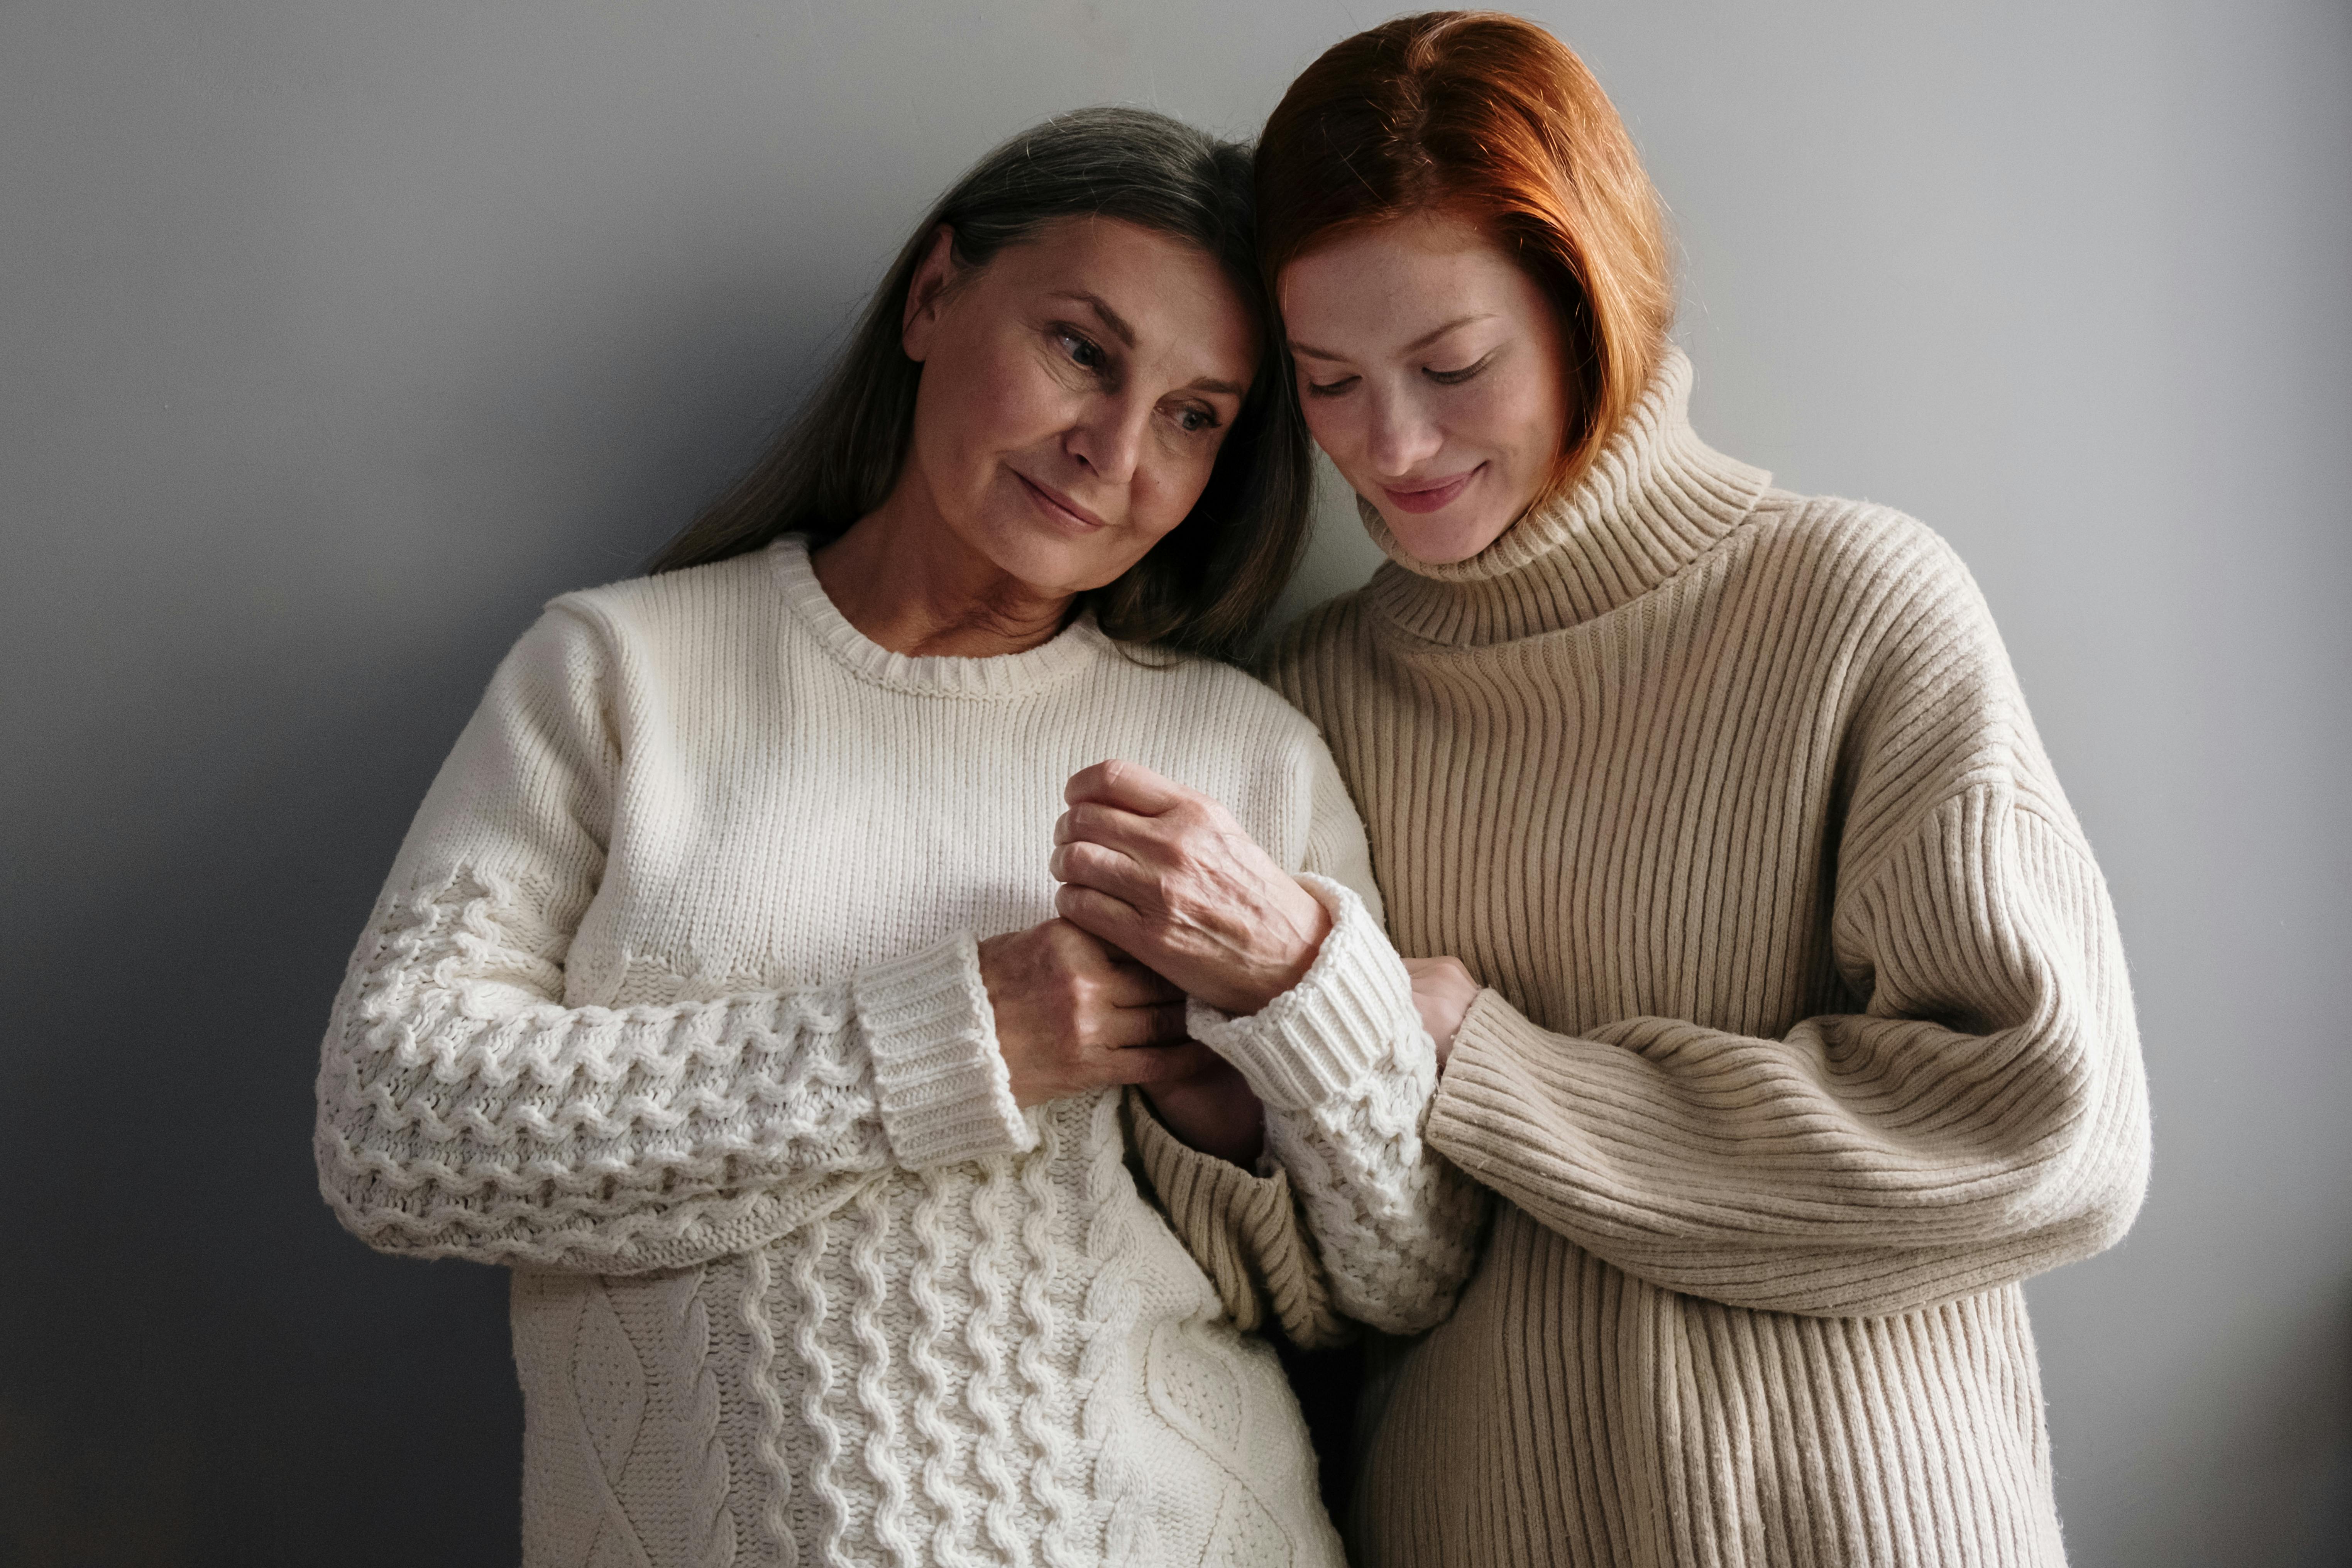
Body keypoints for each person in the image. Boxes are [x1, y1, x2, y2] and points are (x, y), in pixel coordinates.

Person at [1053, 14, 2154, 1566]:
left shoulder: (1850, 603)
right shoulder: (1305, 699)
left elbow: (2046, 1133)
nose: (1396, 444)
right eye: (1330, 382)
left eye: (1452, 365)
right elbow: (1303, 1294)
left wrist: (1487, 1064)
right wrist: (1228, 1096)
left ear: (1589, 310)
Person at [311, 107, 1452, 1567]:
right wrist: (962, 1038)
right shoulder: (619, 674)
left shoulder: (1242, 754)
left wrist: (1295, 993)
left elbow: (1406, 1270)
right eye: (1082, 350)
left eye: (1193, 416)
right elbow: (392, 1132)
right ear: (932, 298)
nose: (1111, 450)